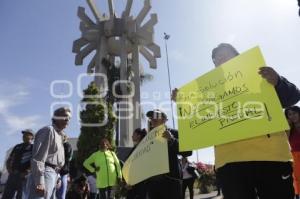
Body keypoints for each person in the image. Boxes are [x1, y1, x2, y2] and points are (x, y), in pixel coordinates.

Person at [172, 43, 300, 199]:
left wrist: (278, 82)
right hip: (229, 163)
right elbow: (197, 121)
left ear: (238, 56)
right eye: (216, 59)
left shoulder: (261, 75)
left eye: (224, 55)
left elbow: (293, 97)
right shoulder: (207, 93)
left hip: (271, 157)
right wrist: (183, 100)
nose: (220, 60)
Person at [26, 107, 71, 199]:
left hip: (53, 175)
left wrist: (57, 176)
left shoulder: (60, 136)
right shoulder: (48, 131)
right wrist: (39, 181)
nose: (68, 120)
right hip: (45, 173)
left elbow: (57, 160)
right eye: (65, 117)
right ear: (57, 117)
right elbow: (38, 158)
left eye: (69, 118)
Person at [146, 109, 192, 199]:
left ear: (164, 120)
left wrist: (172, 140)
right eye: (151, 117)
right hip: (153, 184)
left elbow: (188, 151)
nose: (153, 119)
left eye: (156, 116)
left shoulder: (174, 133)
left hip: (170, 182)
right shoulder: (147, 140)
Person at [2, 129, 34, 199]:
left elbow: (34, 162)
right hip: (12, 175)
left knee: (21, 196)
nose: (24, 136)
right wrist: (9, 169)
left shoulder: (33, 148)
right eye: (23, 134)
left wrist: (27, 172)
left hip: (24, 177)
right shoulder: (17, 146)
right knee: (6, 196)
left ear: (32, 137)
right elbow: (9, 159)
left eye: (26, 134)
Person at [126, 128, 147, 199]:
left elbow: (138, 167)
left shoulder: (141, 149)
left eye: (133, 135)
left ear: (139, 136)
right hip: (133, 184)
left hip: (137, 185)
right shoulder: (136, 148)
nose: (132, 136)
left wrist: (131, 182)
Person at [285, 106, 300, 199]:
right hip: (294, 156)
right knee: (297, 179)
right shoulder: (289, 129)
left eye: (294, 113)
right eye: (289, 114)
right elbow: (286, 140)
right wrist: (289, 126)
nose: (292, 116)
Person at [56, 134, 73, 199]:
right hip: (57, 172)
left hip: (63, 172)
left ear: (65, 137)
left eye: (61, 136)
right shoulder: (58, 145)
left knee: (61, 192)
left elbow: (68, 158)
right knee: (56, 192)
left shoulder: (67, 145)